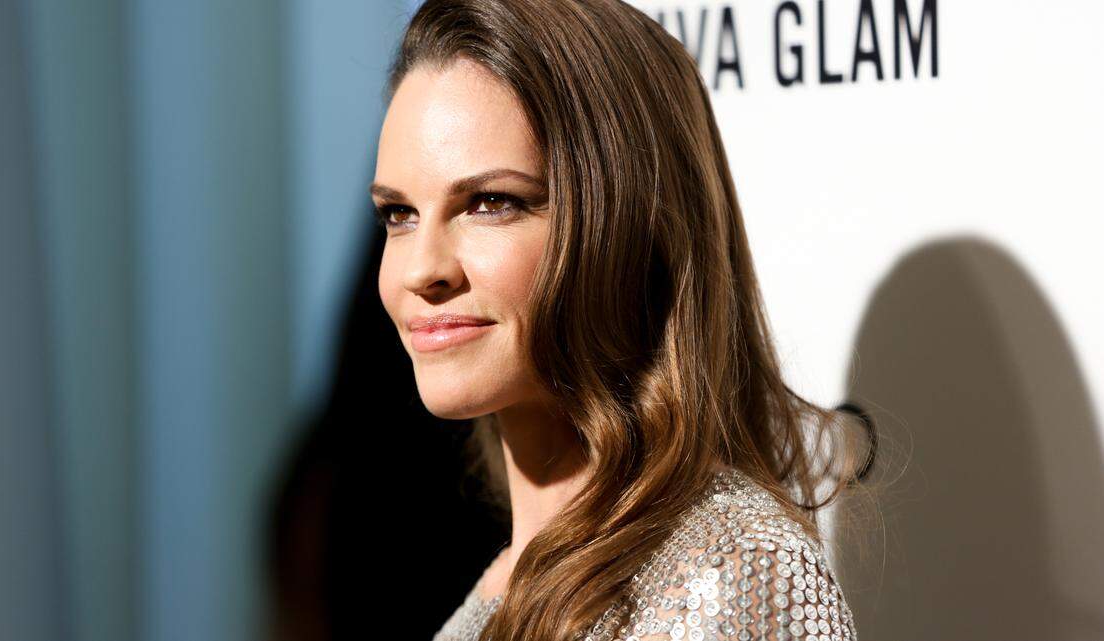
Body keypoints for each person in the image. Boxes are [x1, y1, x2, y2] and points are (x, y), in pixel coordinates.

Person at [370, 1, 864, 639]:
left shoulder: (736, 573)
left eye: (491, 203)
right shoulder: (489, 598)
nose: (421, 270)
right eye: (399, 214)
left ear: (629, 225)